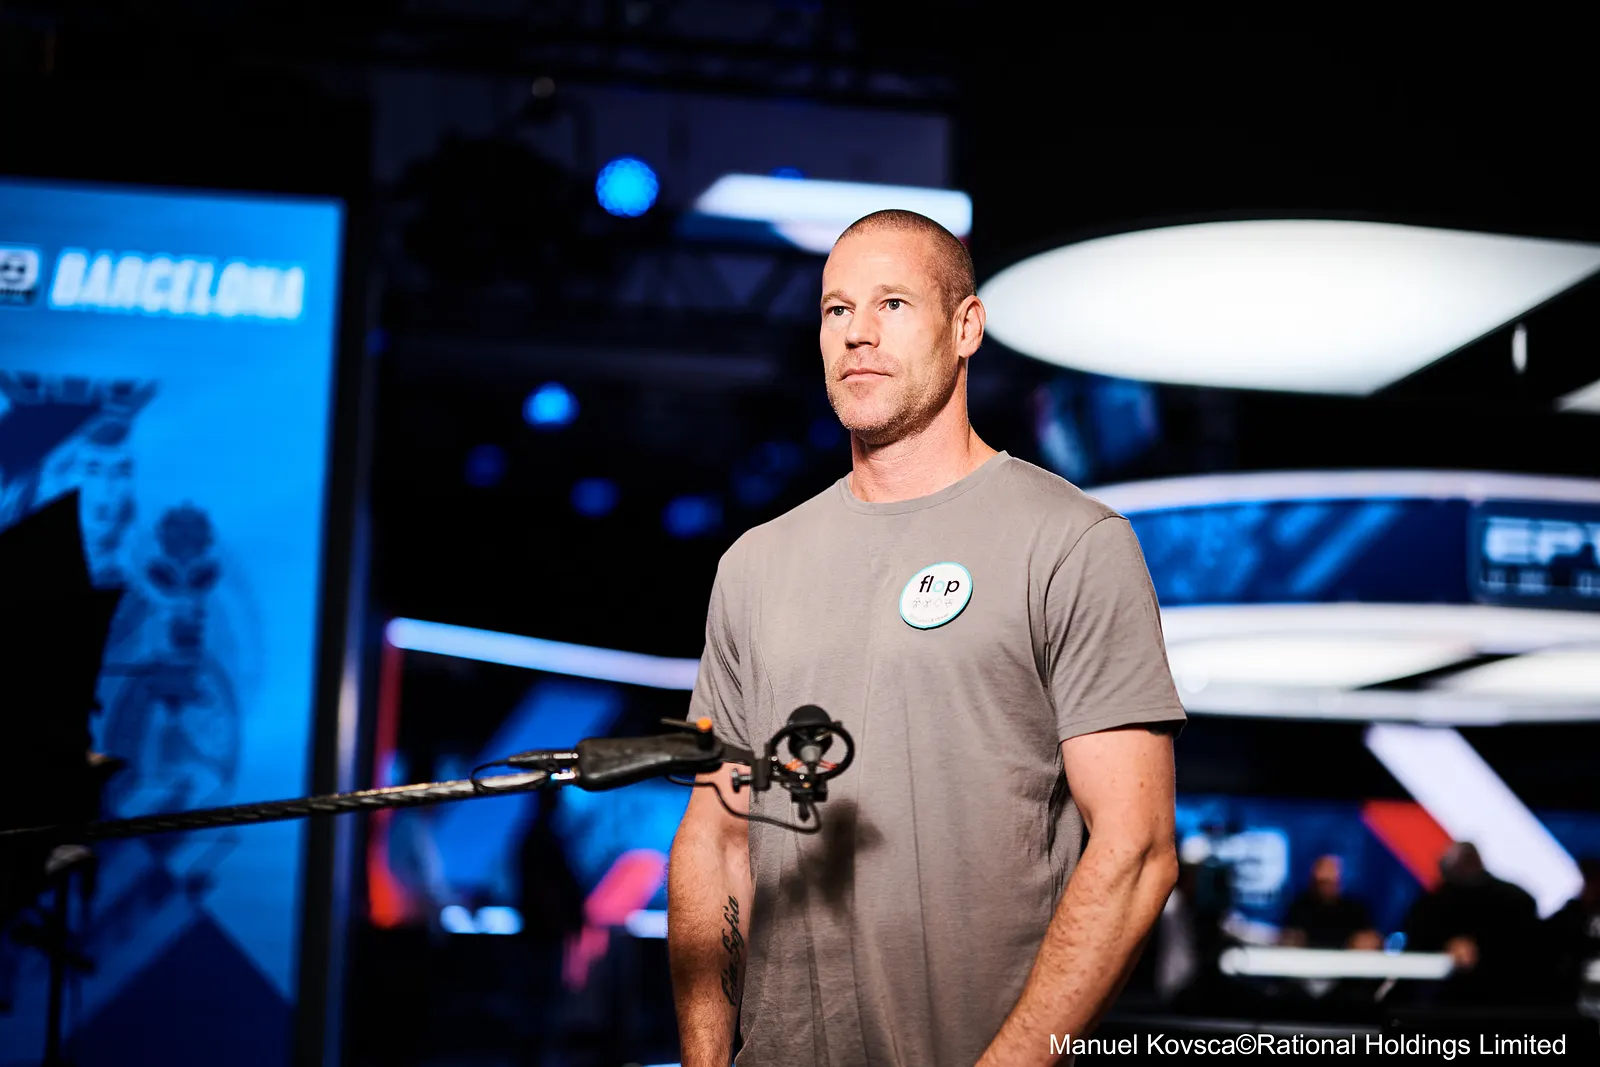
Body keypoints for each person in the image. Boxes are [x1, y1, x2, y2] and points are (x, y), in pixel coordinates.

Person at [666, 209, 1185, 1067]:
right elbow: (716, 837)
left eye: (893, 303)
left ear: (966, 326)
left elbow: (1136, 851)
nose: (858, 333)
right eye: (837, 309)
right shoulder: (754, 565)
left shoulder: (1071, 542)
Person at [1403, 842, 1539, 1006]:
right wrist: (1446, 948)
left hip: (1503, 998)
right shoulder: (1430, 905)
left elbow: (1529, 951)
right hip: (1441, 1001)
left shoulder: (1516, 901)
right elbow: (1415, 949)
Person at [1280, 854, 1381, 950]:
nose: (1327, 883)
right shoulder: (1299, 907)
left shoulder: (1355, 909)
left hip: (1348, 960)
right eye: (1323, 882)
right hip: (1308, 960)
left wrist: (1363, 942)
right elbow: (1288, 938)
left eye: (1330, 881)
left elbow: (1372, 939)